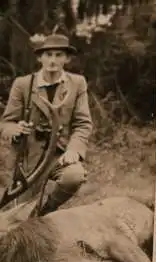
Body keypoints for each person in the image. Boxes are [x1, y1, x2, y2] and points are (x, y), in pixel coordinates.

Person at [0, 33, 93, 216]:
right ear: (39, 58)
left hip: (59, 156)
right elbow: (6, 123)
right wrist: (16, 129)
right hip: (28, 159)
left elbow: (83, 123)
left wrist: (74, 149)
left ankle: (47, 211)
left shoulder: (77, 83)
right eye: (48, 55)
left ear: (66, 58)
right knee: (21, 217)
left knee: (74, 175)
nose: (53, 60)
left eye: (58, 55)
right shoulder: (23, 84)